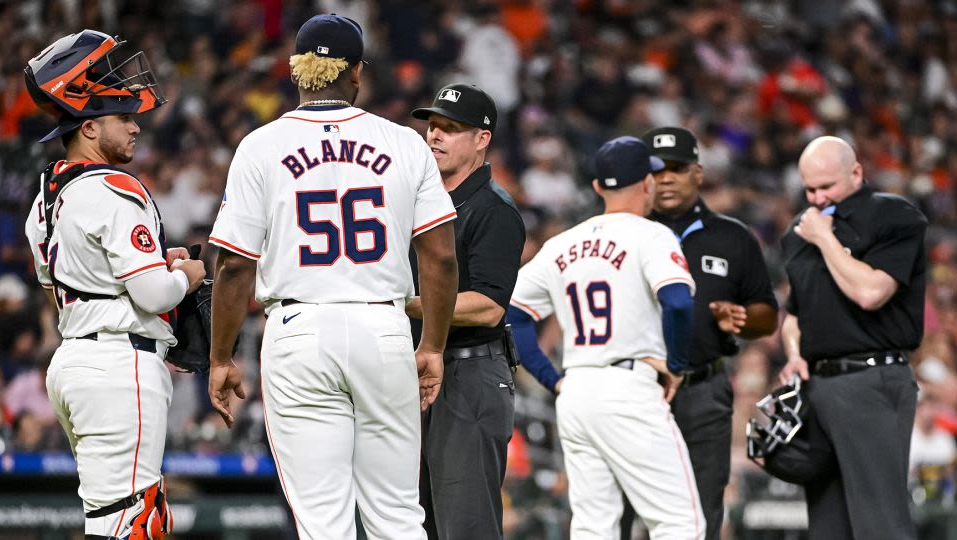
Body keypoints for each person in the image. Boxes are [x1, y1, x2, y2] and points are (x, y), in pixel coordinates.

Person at [206, 14, 459, 540]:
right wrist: (432, 344)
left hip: (299, 331)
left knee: (324, 521)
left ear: (298, 70)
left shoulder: (260, 145)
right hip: (383, 328)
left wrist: (221, 356)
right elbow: (439, 258)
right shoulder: (405, 143)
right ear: (356, 72)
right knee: (397, 515)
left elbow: (233, 264)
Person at [22, 29, 205, 539]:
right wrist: (184, 276)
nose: (135, 128)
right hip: (118, 366)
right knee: (136, 523)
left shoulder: (45, 197)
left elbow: (54, 281)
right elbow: (154, 295)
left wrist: (150, 269)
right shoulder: (113, 186)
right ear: (88, 126)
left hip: (73, 363)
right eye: (124, 118)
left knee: (109, 521)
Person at [507, 136, 705, 539]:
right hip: (628, 388)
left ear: (598, 187)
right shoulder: (651, 236)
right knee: (680, 522)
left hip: (577, 389)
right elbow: (679, 303)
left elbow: (512, 315)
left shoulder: (561, 244)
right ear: (648, 183)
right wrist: (678, 365)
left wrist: (552, 379)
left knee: (594, 527)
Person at [621, 126, 777, 540]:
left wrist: (742, 316)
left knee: (701, 508)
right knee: (618, 509)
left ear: (698, 173)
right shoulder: (622, 233)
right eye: (657, 170)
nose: (666, 178)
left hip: (703, 389)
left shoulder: (733, 237)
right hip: (634, 386)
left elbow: (767, 314)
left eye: (677, 168)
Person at [778, 136, 925, 539]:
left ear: (856, 172)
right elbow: (793, 316)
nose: (819, 197)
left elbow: (872, 292)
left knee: (880, 524)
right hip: (818, 386)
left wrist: (825, 238)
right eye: (810, 189)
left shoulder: (892, 216)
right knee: (828, 527)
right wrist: (794, 354)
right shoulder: (798, 232)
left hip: (871, 380)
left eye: (828, 186)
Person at [408, 83, 526, 539]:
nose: (434, 136)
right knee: (416, 524)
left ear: (482, 138)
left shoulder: (492, 209)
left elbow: (489, 307)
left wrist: (406, 305)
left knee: (466, 526)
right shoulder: (419, 204)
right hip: (418, 373)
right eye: (431, 126)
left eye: (450, 129)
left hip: (470, 377)